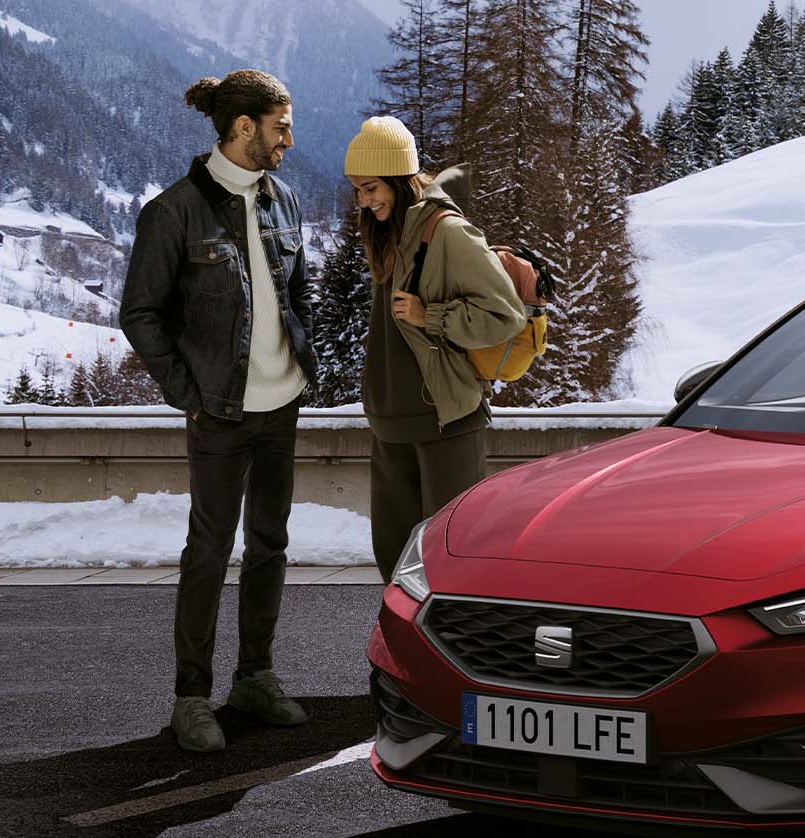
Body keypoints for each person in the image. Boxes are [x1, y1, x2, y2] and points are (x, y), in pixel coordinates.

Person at [121, 70, 318, 752]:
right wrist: (190, 392)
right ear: (243, 128)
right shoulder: (173, 211)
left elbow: (297, 294)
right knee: (208, 552)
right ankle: (192, 696)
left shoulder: (282, 200)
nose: (290, 139)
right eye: (280, 126)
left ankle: (255, 677)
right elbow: (140, 313)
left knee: (270, 546)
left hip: (281, 406)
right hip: (221, 413)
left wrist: (300, 363)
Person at [342, 116, 527, 572]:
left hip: (444, 422)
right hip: (390, 425)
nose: (364, 202)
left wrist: (432, 316)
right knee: (396, 566)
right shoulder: (389, 233)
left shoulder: (447, 231)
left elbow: (505, 314)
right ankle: (401, 645)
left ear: (400, 179)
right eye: (358, 192)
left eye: (371, 189)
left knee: (451, 562)